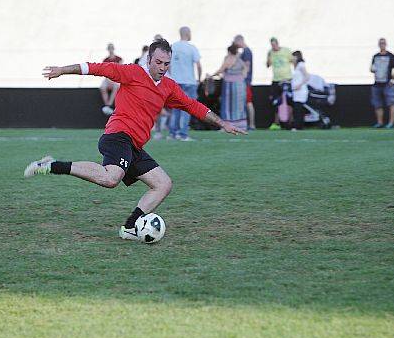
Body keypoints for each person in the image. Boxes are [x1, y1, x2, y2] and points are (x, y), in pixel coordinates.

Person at [29, 39, 246, 241]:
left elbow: (192, 105)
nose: (162, 67)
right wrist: (62, 71)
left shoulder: (168, 86)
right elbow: (95, 68)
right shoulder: (132, 73)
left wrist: (222, 123)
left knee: (163, 184)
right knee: (111, 178)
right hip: (117, 136)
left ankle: (130, 227)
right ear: (149, 59)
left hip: (134, 145)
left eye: (166, 64)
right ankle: (50, 165)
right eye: (158, 62)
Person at [167, 26, 202, 141]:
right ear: (187, 33)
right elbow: (198, 65)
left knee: (175, 108)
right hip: (189, 81)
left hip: (176, 82)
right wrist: (199, 78)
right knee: (188, 108)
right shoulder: (191, 48)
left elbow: (168, 65)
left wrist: (173, 77)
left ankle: (173, 133)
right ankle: (183, 134)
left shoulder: (173, 47)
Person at [211, 44, 248, 130]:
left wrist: (212, 75)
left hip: (230, 85)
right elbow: (245, 69)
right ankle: (241, 125)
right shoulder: (239, 59)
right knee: (239, 105)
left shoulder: (229, 58)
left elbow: (221, 69)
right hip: (241, 84)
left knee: (228, 105)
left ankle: (228, 125)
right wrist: (242, 76)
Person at [370, 38, 394, 128]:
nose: (382, 45)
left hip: (387, 83)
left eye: (383, 43)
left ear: (386, 44)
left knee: (391, 103)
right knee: (377, 104)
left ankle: (391, 123)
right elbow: (372, 68)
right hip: (377, 83)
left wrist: (392, 79)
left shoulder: (391, 56)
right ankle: (380, 122)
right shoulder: (376, 56)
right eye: (380, 43)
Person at [266, 37, 292, 130]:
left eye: (274, 44)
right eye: (272, 45)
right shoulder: (270, 52)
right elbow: (268, 65)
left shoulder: (286, 51)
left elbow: (292, 62)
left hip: (287, 79)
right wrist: (269, 56)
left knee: (289, 102)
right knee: (275, 102)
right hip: (276, 80)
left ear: (277, 43)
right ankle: (276, 123)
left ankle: (290, 122)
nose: (273, 47)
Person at [234, 35, 255, 130]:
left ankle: (251, 125)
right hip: (245, 81)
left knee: (248, 102)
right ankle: (247, 124)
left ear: (240, 41)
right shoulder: (245, 51)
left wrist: (242, 77)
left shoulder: (246, 52)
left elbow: (247, 66)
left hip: (245, 82)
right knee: (246, 102)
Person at [100, 43, 123, 115]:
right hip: (108, 78)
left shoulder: (119, 59)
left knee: (116, 86)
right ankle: (106, 105)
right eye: (109, 48)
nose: (110, 49)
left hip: (117, 79)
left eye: (111, 48)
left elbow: (121, 70)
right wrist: (109, 80)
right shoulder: (105, 60)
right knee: (102, 87)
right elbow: (104, 72)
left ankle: (110, 105)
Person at [290, 50, 309, 130]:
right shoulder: (296, 66)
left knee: (298, 109)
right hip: (296, 91)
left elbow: (307, 76)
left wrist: (300, 85)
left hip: (301, 91)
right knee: (297, 108)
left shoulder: (301, 65)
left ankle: (298, 126)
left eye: (293, 56)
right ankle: (298, 125)